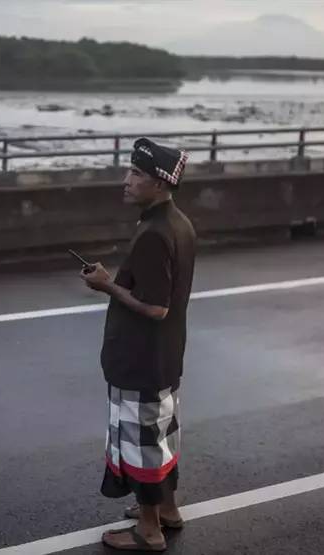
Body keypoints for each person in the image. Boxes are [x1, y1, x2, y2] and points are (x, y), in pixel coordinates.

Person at [80, 137, 196, 552]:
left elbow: (155, 308)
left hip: (140, 358)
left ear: (160, 184)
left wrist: (106, 285)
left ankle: (149, 531)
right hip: (165, 356)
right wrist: (118, 281)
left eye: (137, 174)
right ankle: (167, 509)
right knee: (161, 434)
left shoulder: (153, 232)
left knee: (140, 442)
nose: (126, 180)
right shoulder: (178, 223)